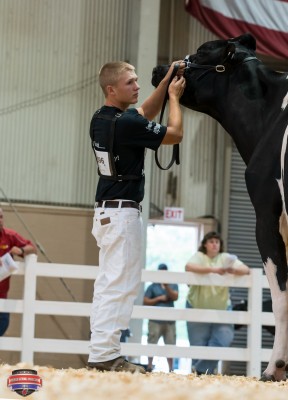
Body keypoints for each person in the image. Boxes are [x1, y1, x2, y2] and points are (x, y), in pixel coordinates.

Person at [87, 60, 186, 373]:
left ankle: (102, 351)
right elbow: (175, 134)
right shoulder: (126, 123)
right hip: (122, 215)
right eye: (130, 82)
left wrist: (168, 78)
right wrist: (174, 98)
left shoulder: (102, 119)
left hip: (106, 212)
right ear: (112, 89)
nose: (137, 86)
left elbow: (143, 112)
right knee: (121, 285)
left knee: (108, 285)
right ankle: (106, 355)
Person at [185, 231, 250, 375]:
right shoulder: (200, 256)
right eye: (211, 242)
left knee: (224, 339)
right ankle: (199, 380)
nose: (215, 244)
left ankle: (199, 371)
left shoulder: (225, 257)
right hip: (197, 306)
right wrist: (214, 270)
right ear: (205, 245)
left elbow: (246, 270)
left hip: (222, 308)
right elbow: (189, 267)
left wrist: (232, 270)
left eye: (217, 242)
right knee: (198, 345)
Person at [0, 207, 37, 336]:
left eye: (1, 216)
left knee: (3, 323)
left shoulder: (9, 236)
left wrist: (21, 251)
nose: (0, 220)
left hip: (2, 295)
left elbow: (32, 249)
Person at [143, 263, 179, 372]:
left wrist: (167, 286)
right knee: (152, 342)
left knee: (170, 344)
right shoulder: (152, 286)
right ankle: (149, 366)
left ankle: (171, 368)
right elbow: (145, 301)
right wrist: (158, 299)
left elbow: (175, 296)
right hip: (155, 320)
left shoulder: (172, 285)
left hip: (170, 321)